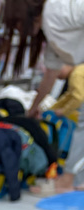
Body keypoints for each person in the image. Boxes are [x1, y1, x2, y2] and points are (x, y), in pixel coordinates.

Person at [29, 0, 84, 191]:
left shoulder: (57, 8)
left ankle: (68, 180)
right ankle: (73, 180)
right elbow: (50, 75)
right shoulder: (51, 35)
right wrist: (33, 108)